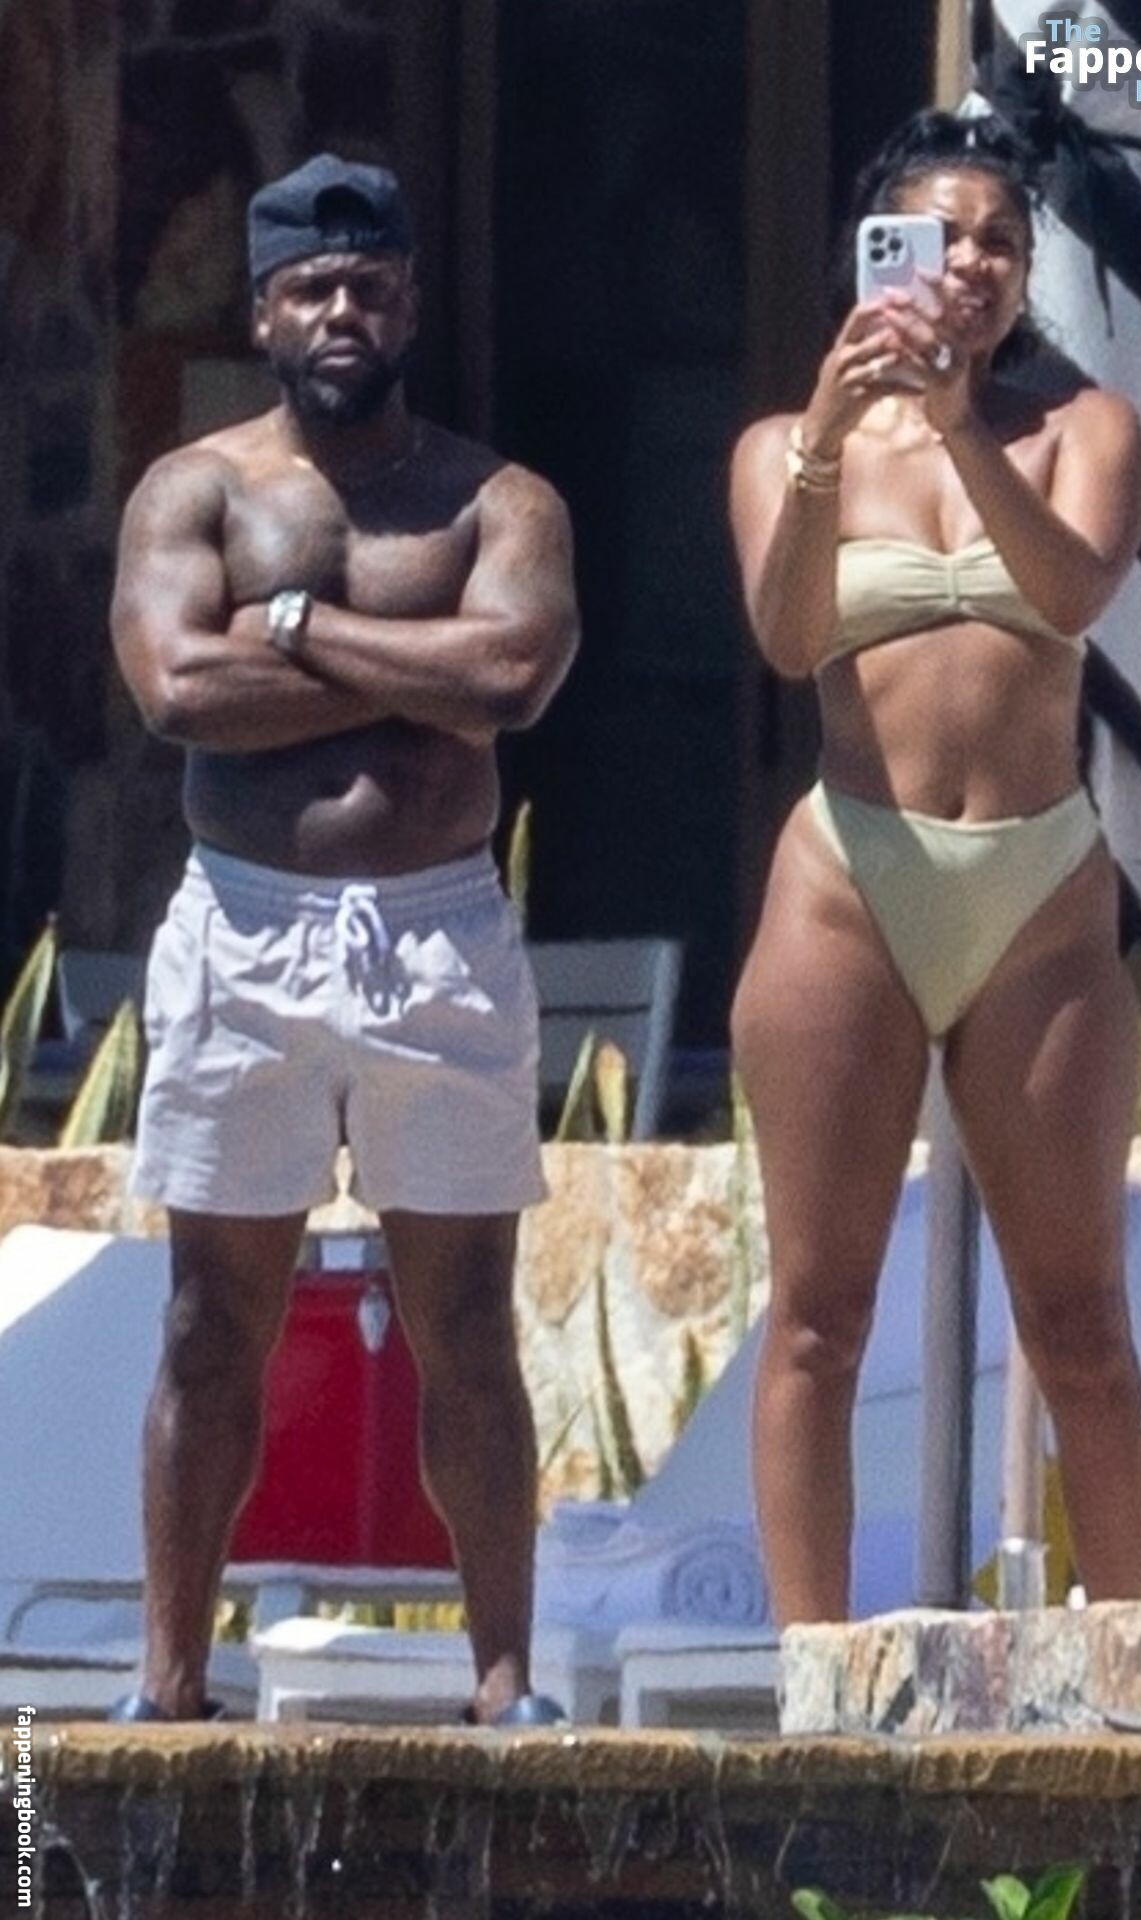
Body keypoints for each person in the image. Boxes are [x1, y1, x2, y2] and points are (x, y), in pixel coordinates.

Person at [108, 154, 579, 1722]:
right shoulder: (195, 490)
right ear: (263, 311)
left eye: (369, 284)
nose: (341, 311)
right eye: (311, 287)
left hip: (437, 936)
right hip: (244, 931)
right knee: (208, 1321)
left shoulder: (498, 498)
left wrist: (300, 628)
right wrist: (418, 668)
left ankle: (504, 1687)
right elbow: (178, 690)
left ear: (411, 301)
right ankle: (171, 1685)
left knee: (466, 1328)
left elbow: (512, 680)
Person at [729, 112, 1141, 1625]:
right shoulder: (784, 446)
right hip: (853, 878)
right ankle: (814, 1680)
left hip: (1037, 890)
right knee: (817, 1317)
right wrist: (832, 437)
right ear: (876, 255)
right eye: (940, 235)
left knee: (1080, 1320)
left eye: (1001, 242)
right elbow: (790, 636)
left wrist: (965, 427)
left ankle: (1133, 1683)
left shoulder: (1084, 429)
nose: (972, 263)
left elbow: (1072, 592)